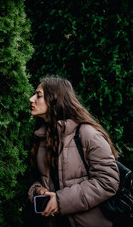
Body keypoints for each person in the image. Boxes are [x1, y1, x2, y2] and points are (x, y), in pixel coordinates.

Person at [28, 76, 120, 227]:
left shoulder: (87, 134)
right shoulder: (41, 138)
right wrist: (38, 190)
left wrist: (60, 201)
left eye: (38, 95)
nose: (31, 99)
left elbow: (108, 181)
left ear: (55, 99)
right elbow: (39, 178)